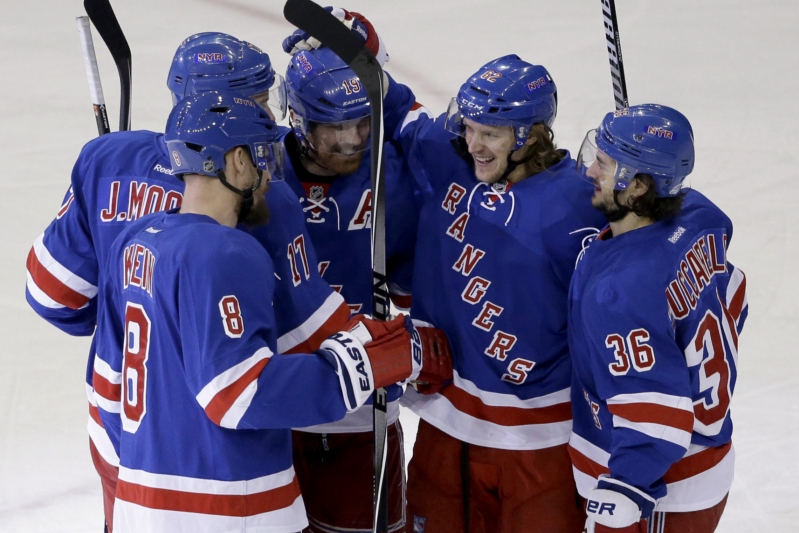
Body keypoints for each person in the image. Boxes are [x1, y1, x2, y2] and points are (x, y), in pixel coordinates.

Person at [24, 32, 347, 532]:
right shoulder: (262, 198)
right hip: (213, 452)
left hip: (119, 424)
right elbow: (310, 339)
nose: (270, 118)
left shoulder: (105, 159)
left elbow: (53, 297)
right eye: (258, 101)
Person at [92, 91, 452, 533]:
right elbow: (237, 394)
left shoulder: (134, 242)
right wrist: (369, 364)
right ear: (238, 162)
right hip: (226, 508)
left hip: (140, 501)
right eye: (263, 158)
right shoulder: (226, 251)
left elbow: (107, 385)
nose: (270, 178)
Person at [385, 55, 608, 532]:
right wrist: (354, 44)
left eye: (490, 134)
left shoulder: (578, 207)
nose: (473, 145)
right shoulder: (451, 161)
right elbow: (393, 105)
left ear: (530, 136)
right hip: (446, 423)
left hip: (540, 443)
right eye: (468, 128)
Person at [253, 35, 420, 532]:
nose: (352, 139)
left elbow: (411, 288)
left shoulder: (389, 174)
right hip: (271, 406)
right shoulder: (257, 173)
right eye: (335, 126)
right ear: (298, 118)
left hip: (360, 412)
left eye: (362, 122)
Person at [568, 104, 747, 533]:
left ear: (639, 185)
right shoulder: (701, 218)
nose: (590, 171)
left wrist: (625, 488)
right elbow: (733, 290)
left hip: (662, 487)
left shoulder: (620, 292)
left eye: (605, 164)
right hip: (707, 453)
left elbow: (654, 416)